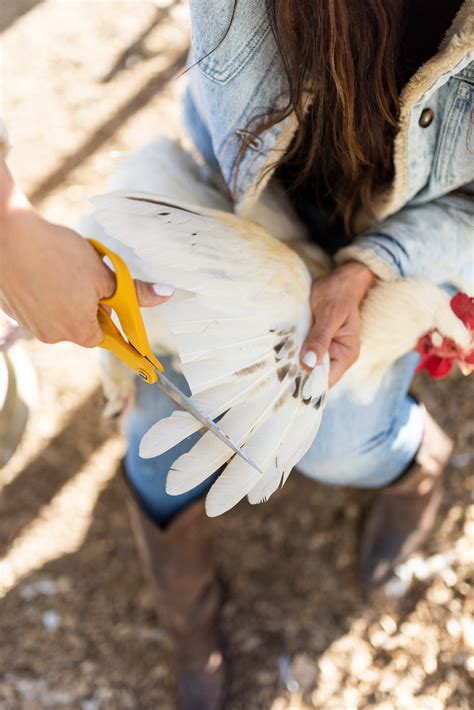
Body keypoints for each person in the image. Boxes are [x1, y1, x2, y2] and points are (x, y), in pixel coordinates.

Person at [1, 2, 472, 708]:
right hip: (233, 188)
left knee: (337, 444)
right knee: (161, 448)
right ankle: (189, 614)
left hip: (402, 229)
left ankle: (413, 464)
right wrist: (8, 225)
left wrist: (382, 260)